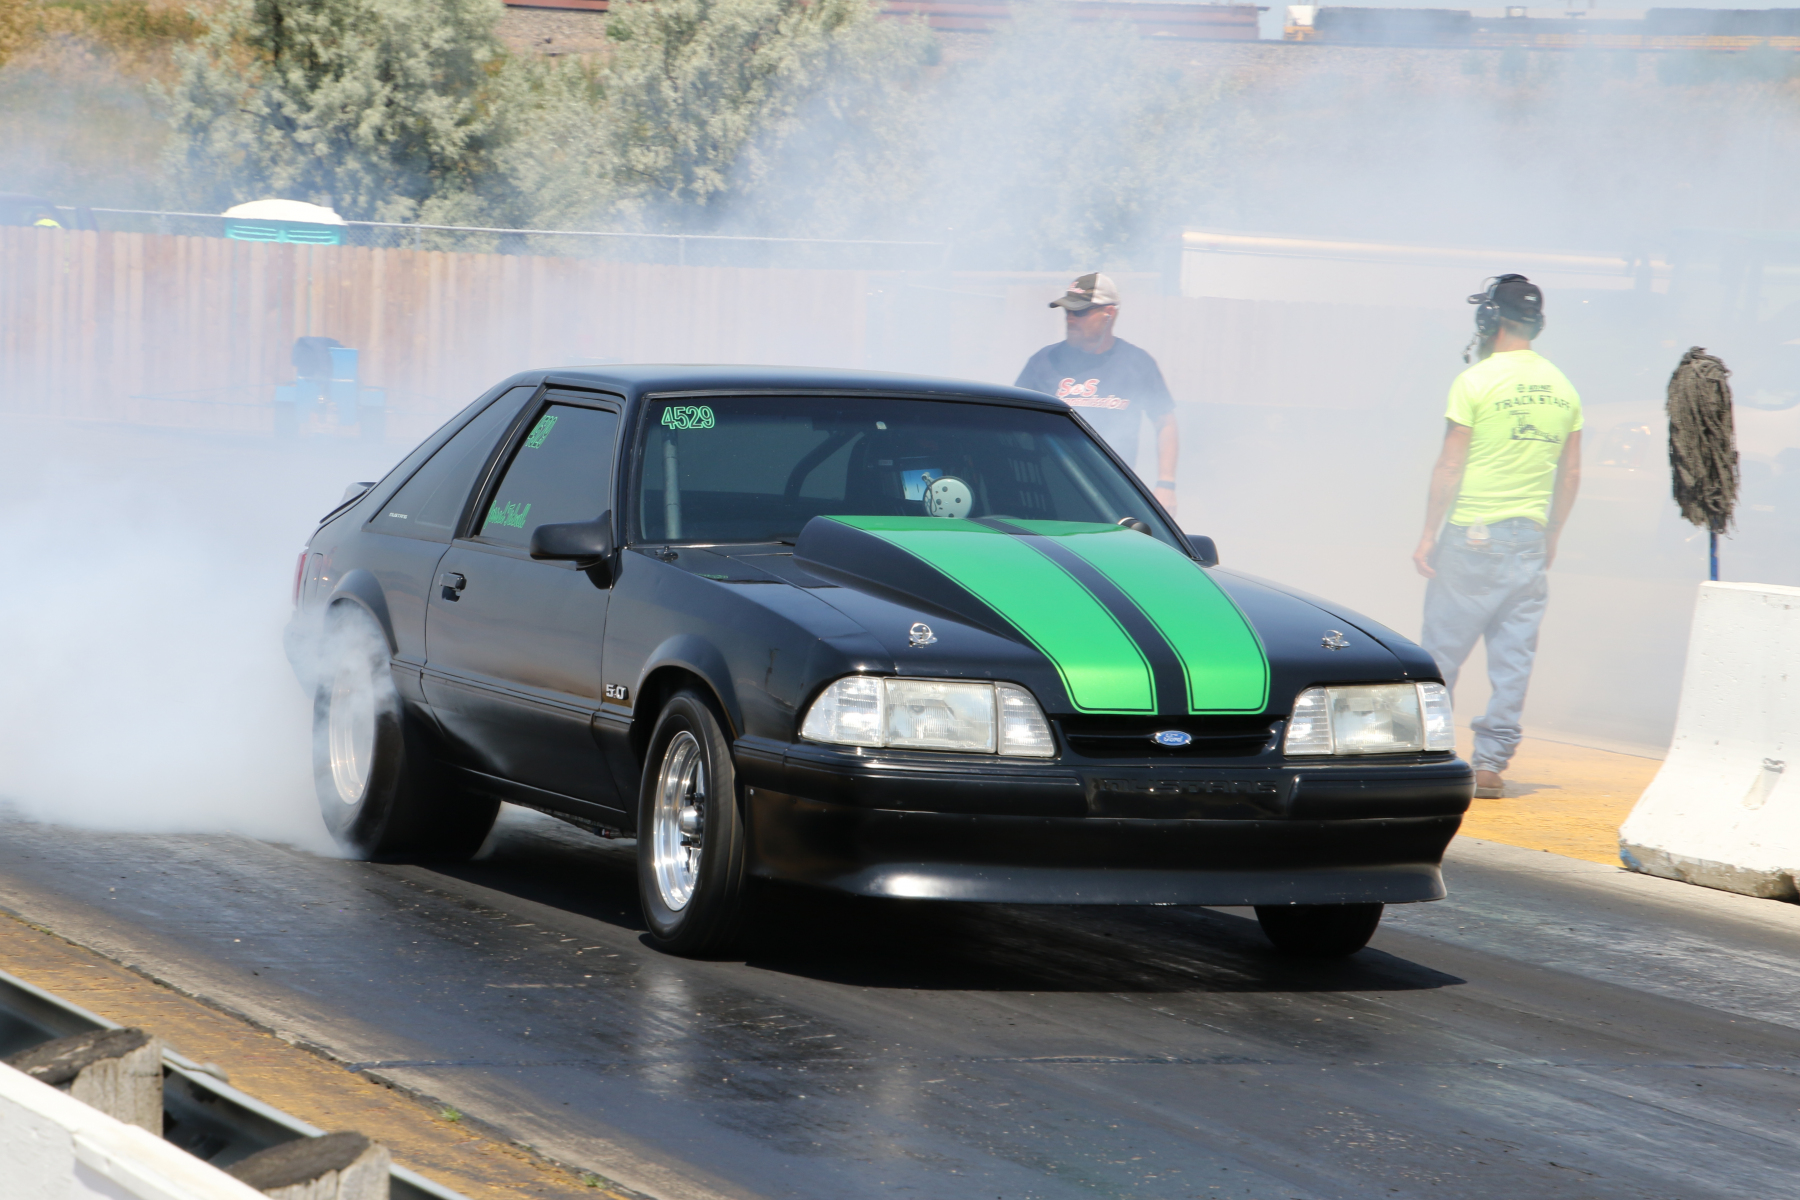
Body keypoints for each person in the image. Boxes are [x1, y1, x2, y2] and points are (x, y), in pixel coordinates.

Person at [1413, 274, 1582, 800]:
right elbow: (1571, 474)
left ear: (1489, 318)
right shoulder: (1563, 387)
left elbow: (1450, 465)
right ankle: (1490, 764)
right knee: (1514, 658)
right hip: (1528, 537)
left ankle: (1429, 752)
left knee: (1441, 654)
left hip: (1472, 535)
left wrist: (1428, 533)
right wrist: (1551, 533)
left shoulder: (1475, 381)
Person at [1015, 273, 1179, 515]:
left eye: (1080, 312)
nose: (1070, 318)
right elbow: (1013, 424)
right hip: (1047, 496)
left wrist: (1166, 484)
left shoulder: (1137, 363)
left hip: (1114, 498)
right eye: (1068, 311)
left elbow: (1165, 422)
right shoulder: (1043, 362)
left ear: (1108, 314)